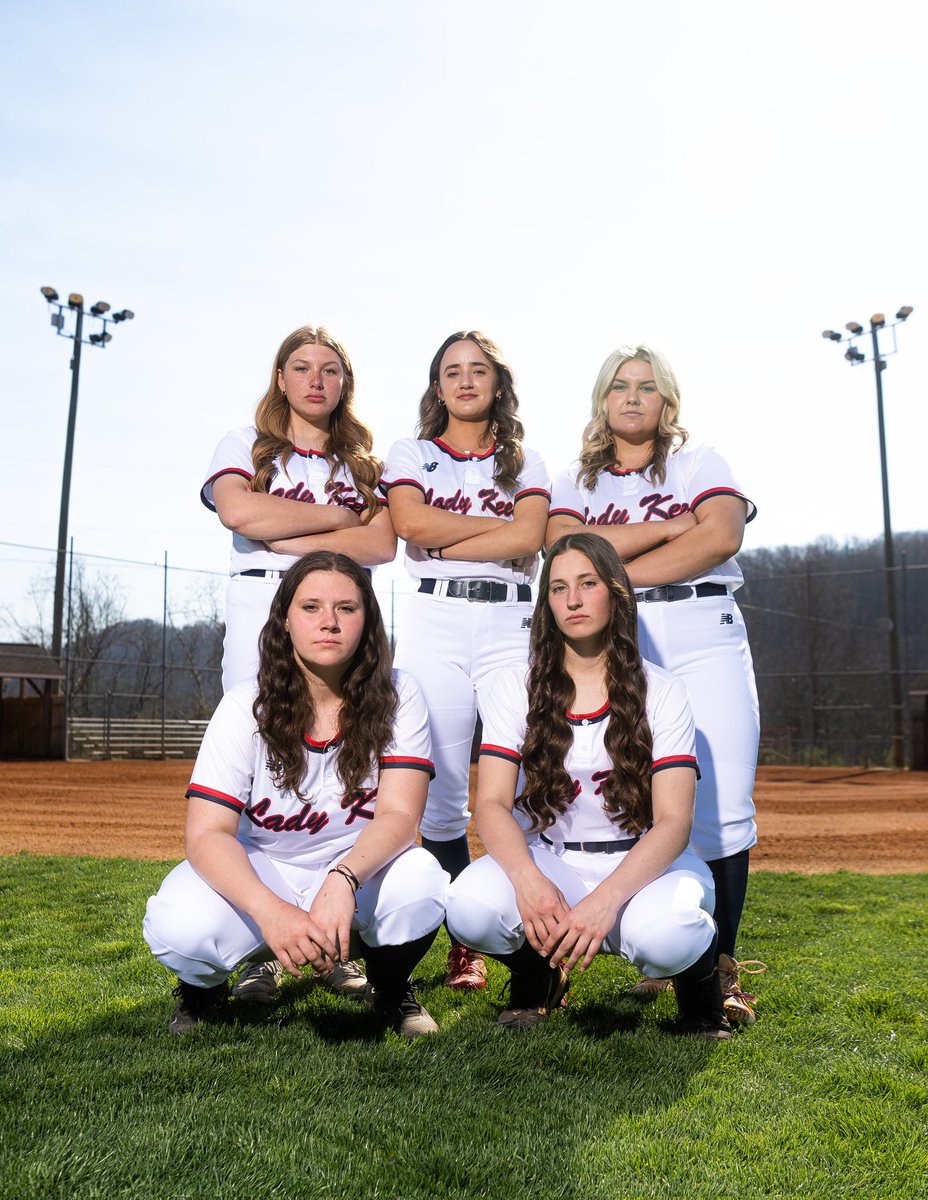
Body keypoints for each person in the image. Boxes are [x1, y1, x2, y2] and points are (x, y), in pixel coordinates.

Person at [143, 552, 448, 1039]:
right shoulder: (245, 704)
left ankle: (390, 988)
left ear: (367, 620)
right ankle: (203, 992)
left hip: (356, 867)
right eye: (311, 607)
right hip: (267, 867)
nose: (329, 622)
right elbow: (206, 833)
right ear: (285, 620)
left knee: (420, 881)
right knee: (179, 926)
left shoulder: (398, 693)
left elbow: (399, 814)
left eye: (346, 608)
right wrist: (271, 911)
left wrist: (343, 879)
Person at [547, 345, 763, 1024]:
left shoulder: (700, 462)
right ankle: (639, 949)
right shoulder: (574, 480)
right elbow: (561, 551)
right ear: (602, 400)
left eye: (647, 386)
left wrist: (609, 570)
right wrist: (667, 532)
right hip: (619, 637)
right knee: (622, 793)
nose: (633, 397)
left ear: (667, 400)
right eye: (619, 386)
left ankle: (717, 966)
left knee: (722, 805)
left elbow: (719, 536)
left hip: (703, 627)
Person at [445, 533, 730, 1037]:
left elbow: (673, 822)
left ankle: (700, 989)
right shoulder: (513, 684)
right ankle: (537, 977)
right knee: (470, 909)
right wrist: (529, 883)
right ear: (546, 603)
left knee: (668, 938)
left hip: (643, 867)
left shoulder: (662, 689)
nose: (573, 600)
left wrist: (605, 901)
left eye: (587, 583)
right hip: (553, 859)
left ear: (615, 593)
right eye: (558, 588)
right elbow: (489, 803)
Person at [380, 331, 550, 990]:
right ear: (437, 386)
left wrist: (450, 541)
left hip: (511, 622)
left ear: (498, 384)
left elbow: (532, 535)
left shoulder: (525, 460)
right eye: (452, 371)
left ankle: (533, 938)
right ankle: (464, 945)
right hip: (435, 622)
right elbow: (410, 526)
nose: (466, 380)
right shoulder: (414, 453)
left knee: (524, 782)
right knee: (443, 796)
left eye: (478, 370)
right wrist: (500, 535)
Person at [203, 325, 395, 693]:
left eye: (329, 370)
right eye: (301, 368)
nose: (316, 381)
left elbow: (382, 545)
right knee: (253, 715)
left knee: (347, 717)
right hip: (261, 597)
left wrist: (287, 542)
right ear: (280, 379)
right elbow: (238, 513)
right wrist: (340, 517)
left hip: (341, 607)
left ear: (345, 383)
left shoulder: (365, 465)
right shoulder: (245, 443)